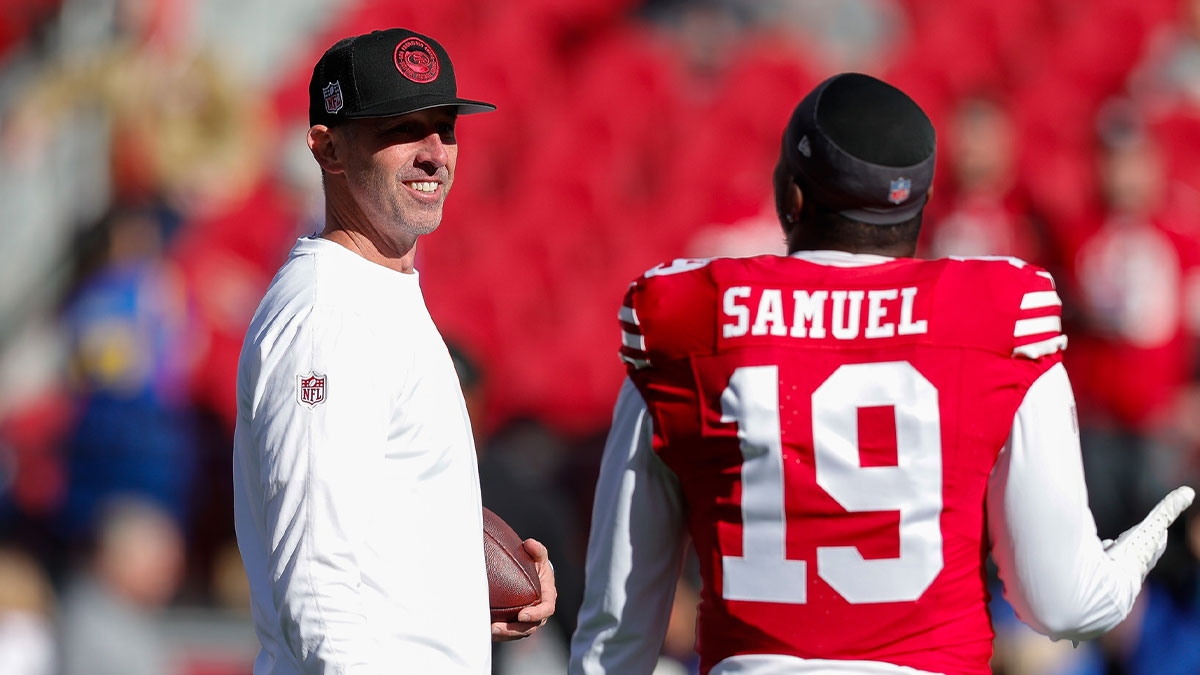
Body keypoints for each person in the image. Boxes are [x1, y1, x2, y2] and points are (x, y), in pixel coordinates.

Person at [568, 72, 1195, 675]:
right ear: (920, 203)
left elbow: (617, 632)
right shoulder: (1003, 317)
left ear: (790, 195)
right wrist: (1128, 563)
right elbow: (1064, 604)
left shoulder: (689, 322)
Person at [232, 28, 556, 674]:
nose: (435, 153)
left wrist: (456, 596)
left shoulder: (380, 292)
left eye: (445, 126)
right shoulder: (330, 316)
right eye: (401, 129)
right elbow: (318, 594)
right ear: (329, 149)